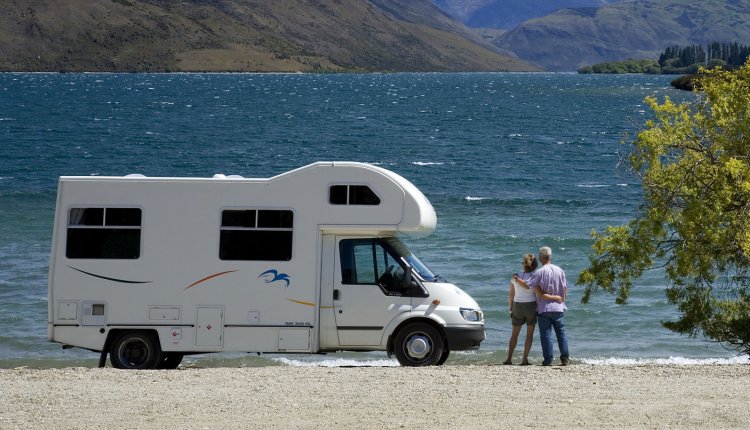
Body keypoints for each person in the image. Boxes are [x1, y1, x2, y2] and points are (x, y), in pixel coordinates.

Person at [514, 246, 569, 366]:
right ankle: (565, 358)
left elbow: (528, 285)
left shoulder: (540, 272)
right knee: (561, 333)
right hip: (559, 307)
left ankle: (548, 360)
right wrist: (562, 301)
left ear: (540, 258)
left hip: (544, 308)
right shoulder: (560, 270)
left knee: (546, 334)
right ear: (550, 256)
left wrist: (517, 279)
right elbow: (565, 289)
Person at [503, 253, 538, 365]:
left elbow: (511, 295)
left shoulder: (515, 276)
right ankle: (524, 360)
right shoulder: (535, 276)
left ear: (524, 265)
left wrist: (510, 308)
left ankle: (509, 359)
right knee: (529, 334)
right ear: (535, 266)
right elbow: (535, 292)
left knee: (514, 334)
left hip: (517, 305)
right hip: (531, 305)